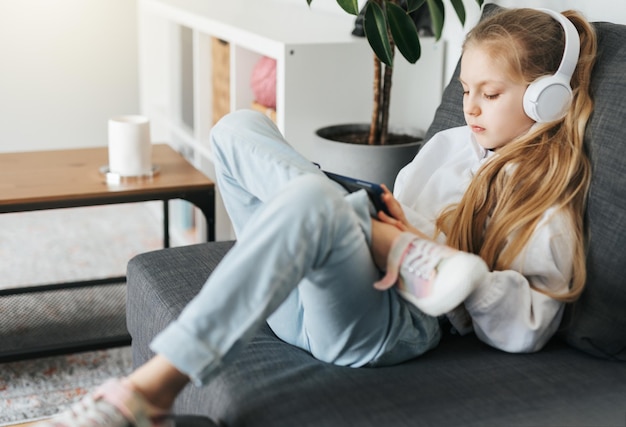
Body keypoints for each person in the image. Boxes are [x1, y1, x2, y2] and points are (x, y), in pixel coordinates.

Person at [38, 7, 597, 427]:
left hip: (385, 325)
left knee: (313, 203)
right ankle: (385, 241)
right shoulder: (452, 145)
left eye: (490, 93)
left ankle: (148, 391)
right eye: (467, 90)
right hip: (304, 302)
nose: (470, 106)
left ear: (547, 99)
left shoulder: (543, 200)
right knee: (236, 128)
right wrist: (383, 220)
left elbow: (528, 327)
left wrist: (463, 275)